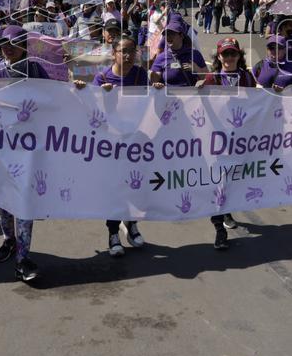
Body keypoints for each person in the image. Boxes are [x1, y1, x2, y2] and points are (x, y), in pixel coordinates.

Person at [0, 26, 48, 281]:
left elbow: (57, 98)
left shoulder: (35, 69)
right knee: (2, 197)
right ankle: (9, 240)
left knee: (23, 200)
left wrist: (77, 87)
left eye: (14, 43)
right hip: (1, 144)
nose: (8, 48)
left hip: (29, 147)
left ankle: (23, 257)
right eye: (4, 44)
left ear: (24, 45)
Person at [74, 36, 147, 257]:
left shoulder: (140, 75)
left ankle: (131, 224)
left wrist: (157, 88)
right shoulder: (102, 77)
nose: (127, 55)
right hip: (111, 144)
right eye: (123, 51)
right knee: (114, 188)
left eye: (131, 51)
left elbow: (149, 102)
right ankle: (113, 233)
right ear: (114, 53)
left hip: (134, 141)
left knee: (134, 184)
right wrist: (85, 91)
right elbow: (92, 109)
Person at [195, 37, 254, 248]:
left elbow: (259, 103)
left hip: (240, 141)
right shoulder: (213, 78)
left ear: (239, 55)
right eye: (225, 54)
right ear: (219, 57)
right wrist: (198, 90)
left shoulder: (246, 77)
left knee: (232, 181)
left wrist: (275, 93)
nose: (229, 57)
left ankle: (227, 211)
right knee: (217, 183)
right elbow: (198, 104)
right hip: (217, 142)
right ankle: (219, 228)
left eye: (233, 53)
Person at [149, 17, 207, 87]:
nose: (168, 37)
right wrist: (155, 81)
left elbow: (207, 78)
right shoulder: (162, 57)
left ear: (181, 36)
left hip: (192, 93)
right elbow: (154, 79)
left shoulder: (195, 54)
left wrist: (197, 69)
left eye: (172, 34)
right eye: (166, 35)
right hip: (169, 94)